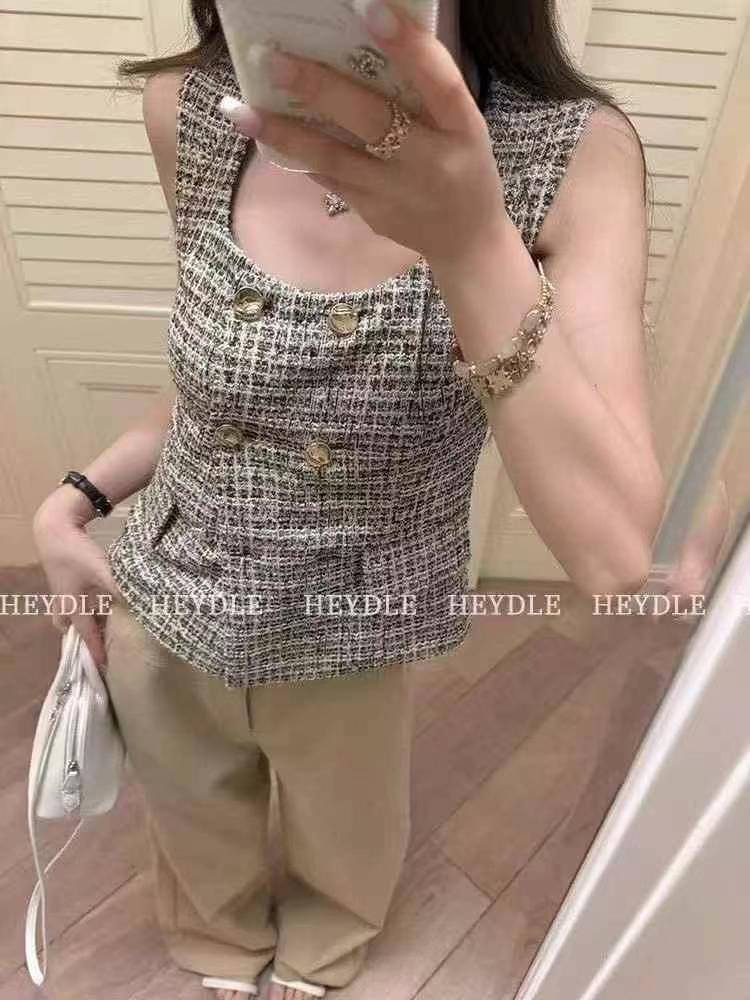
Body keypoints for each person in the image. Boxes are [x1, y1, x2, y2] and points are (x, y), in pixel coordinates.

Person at [32, 0, 666, 997]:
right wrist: (72, 498)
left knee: (349, 836)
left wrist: (471, 240)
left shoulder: (568, 155)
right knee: (192, 820)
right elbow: (220, 383)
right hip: (167, 595)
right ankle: (217, 951)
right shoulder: (191, 110)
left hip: (354, 622)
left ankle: (319, 962)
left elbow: (616, 552)